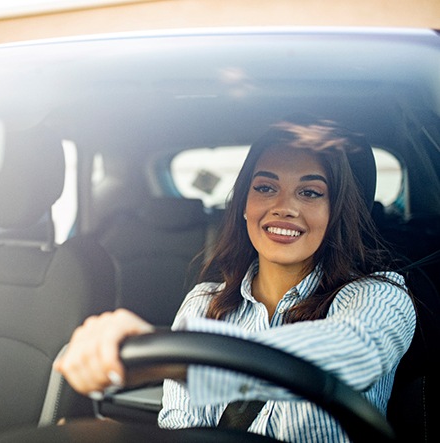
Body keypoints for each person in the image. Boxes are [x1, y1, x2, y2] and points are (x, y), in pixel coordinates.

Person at [55, 117, 416, 442]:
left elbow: (356, 352)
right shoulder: (204, 303)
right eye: (265, 187)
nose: (284, 207)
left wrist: (182, 361)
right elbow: (181, 427)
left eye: (310, 192)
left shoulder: (381, 295)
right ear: (243, 204)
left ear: (336, 209)